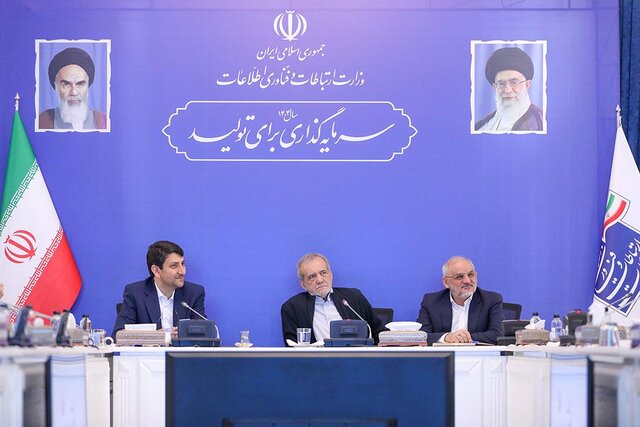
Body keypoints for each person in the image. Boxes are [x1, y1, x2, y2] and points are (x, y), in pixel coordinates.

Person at [281, 253, 385, 345]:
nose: (320, 280)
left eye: (323, 273)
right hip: (317, 360)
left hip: (356, 358)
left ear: (331, 275)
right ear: (303, 284)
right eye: (312, 277)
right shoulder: (292, 308)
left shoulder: (353, 298)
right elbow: (292, 348)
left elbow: (379, 333)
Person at [112, 241, 206, 338]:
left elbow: (203, 334)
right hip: (149, 348)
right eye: (174, 266)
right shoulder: (135, 293)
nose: (182, 272)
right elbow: (118, 335)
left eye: (182, 264)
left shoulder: (194, 293)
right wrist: (157, 336)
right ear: (156, 271)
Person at [416, 256, 504, 345]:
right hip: (443, 353)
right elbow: (420, 336)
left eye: (470, 275)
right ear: (446, 282)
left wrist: (462, 338)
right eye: (459, 277)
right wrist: (447, 337)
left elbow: (498, 334)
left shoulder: (491, 300)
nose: (467, 281)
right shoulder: (431, 301)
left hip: (478, 353)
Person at [474, 46, 543, 132]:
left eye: (514, 82)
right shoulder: (483, 126)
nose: (507, 90)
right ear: (494, 87)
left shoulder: (541, 123)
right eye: (501, 84)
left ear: (527, 85)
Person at [38, 47, 107, 130]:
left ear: (87, 85)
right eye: (66, 84)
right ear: (56, 86)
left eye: (80, 84)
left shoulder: (103, 121)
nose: (74, 92)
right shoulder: (42, 121)